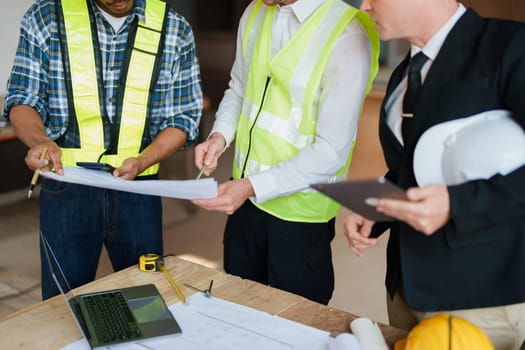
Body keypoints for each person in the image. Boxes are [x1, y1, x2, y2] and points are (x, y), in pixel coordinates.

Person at [343, 0, 525, 349]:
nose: (364, 6)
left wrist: (457, 205)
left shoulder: (509, 47)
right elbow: (411, 169)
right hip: (405, 290)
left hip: (479, 297)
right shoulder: (402, 75)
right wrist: (375, 209)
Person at [2, 0, 202, 300]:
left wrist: (144, 160)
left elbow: (183, 118)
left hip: (139, 188)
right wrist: (40, 141)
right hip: (67, 185)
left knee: (146, 301)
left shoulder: (172, 27)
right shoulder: (46, 16)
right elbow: (22, 98)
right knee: (62, 305)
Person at [192, 0, 379, 305]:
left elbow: (331, 151)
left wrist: (252, 186)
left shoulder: (347, 33)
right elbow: (239, 88)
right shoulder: (254, 11)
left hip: (300, 217)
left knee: (293, 324)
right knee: (236, 309)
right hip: (243, 206)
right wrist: (220, 136)